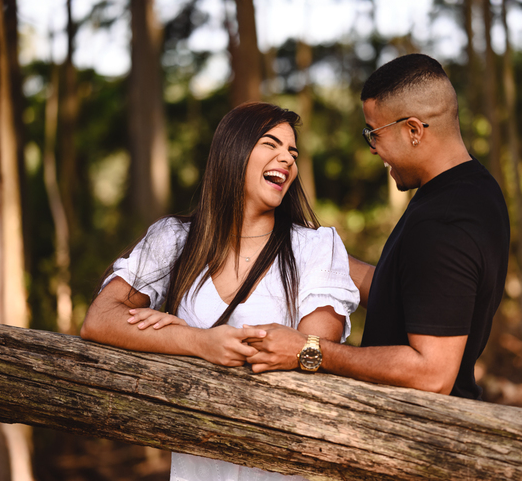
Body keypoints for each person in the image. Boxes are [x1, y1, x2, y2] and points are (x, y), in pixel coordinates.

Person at [80, 102, 358, 481]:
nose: (287, 159)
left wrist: (168, 330)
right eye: (271, 144)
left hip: (280, 467)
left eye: (292, 151)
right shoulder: (174, 239)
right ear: (233, 151)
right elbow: (100, 319)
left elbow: (311, 345)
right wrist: (197, 340)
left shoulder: (315, 247)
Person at [244, 53, 509, 399]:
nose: (372, 148)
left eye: (374, 133)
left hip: (415, 439)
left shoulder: (445, 223)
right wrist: (315, 250)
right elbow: (406, 292)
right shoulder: (472, 190)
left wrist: (308, 349)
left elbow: (432, 373)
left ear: (413, 130)